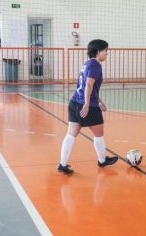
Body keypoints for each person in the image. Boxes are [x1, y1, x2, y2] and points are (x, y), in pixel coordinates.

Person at [58, 39, 118, 175]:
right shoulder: (95, 65)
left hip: (74, 102)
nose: (107, 54)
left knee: (71, 134)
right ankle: (102, 161)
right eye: (105, 51)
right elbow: (89, 85)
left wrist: (99, 101)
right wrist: (87, 103)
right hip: (86, 105)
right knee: (99, 134)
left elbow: (88, 86)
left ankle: (62, 164)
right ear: (98, 52)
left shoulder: (87, 64)